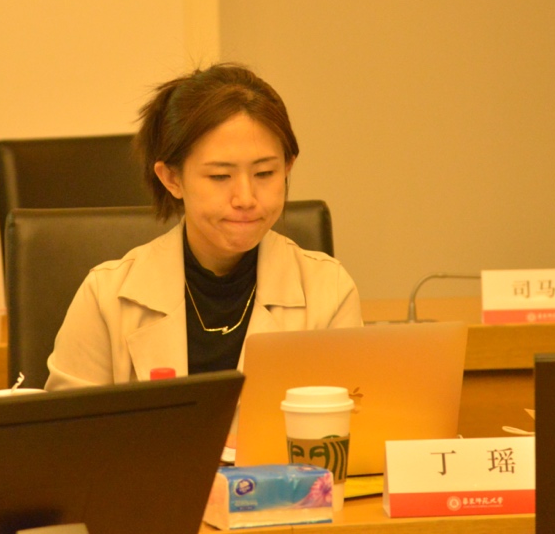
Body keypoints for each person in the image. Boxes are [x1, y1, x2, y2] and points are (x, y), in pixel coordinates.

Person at [45, 63, 362, 389]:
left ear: (287, 167)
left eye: (265, 173)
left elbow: (353, 413)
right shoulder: (106, 298)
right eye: (220, 176)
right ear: (172, 178)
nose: (245, 198)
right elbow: (67, 421)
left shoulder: (329, 292)